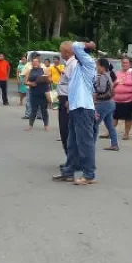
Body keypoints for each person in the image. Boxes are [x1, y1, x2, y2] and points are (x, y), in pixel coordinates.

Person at [54, 40, 98, 186]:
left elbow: (76, 47)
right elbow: (77, 88)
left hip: (83, 109)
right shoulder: (79, 67)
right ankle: (68, 172)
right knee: (71, 142)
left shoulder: (88, 63)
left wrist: (88, 44)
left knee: (85, 142)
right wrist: (69, 102)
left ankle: (89, 174)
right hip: (76, 107)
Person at [113, 57, 132, 140]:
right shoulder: (117, 73)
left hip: (129, 99)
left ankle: (126, 134)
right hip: (116, 99)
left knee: (128, 117)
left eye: (126, 63)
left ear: (130, 64)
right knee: (114, 116)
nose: (124, 64)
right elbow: (112, 84)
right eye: (123, 63)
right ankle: (109, 131)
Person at [95, 58, 120, 151]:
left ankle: (90, 144)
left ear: (102, 67)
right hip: (110, 102)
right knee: (110, 125)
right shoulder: (108, 75)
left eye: (97, 66)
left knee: (94, 124)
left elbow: (101, 89)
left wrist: (94, 86)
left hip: (103, 103)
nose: (96, 68)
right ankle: (114, 144)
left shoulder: (102, 76)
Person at [24, 56, 50, 132]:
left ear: (39, 63)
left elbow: (49, 80)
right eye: (33, 62)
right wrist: (31, 84)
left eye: (36, 62)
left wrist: (46, 79)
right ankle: (30, 126)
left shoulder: (44, 70)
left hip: (43, 93)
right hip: (34, 93)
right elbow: (25, 82)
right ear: (32, 63)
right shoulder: (29, 71)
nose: (35, 63)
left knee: (44, 110)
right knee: (33, 110)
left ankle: (46, 125)